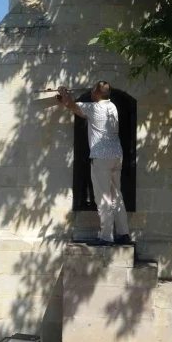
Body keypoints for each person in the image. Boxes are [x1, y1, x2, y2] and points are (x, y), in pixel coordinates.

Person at [58, 82, 131, 246]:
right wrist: (67, 101)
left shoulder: (94, 108)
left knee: (103, 197)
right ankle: (123, 233)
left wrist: (63, 93)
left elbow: (71, 105)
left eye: (93, 90)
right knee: (116, 196)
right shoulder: (112, 107)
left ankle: (106, 236)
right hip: (116, 155)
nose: (90, 92)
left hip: (101, 157)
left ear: (98, 93)